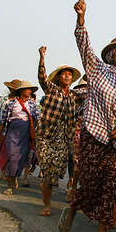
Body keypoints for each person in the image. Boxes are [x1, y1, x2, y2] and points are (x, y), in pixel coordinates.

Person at [58, 0, 116, 232]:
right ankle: (72, 208)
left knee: (111, 187)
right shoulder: (97, 70)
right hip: (93, 135)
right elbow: (84, 46)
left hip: (114, 143)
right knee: (91, 183)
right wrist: (81, 19)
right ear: (110, 55)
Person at [36, 46, 83, 217]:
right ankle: (47, 204)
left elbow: (91, 91)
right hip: (47, 136)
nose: (67, 76)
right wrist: (42, 58)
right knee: (48, 171)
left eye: (69, 74)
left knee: (56, 173)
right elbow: (42, 77)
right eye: (64, 73)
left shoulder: (74, 96)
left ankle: (51, 195)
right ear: (58, 77)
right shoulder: (51, 89)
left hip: (64, 139)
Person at [0, 80, 40, 194]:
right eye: (27, 89)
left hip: (26, 132)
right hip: (13, 131)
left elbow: (37, 119)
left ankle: (15, 176)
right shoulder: (11, 104)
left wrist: (35, 133)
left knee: (22, 157)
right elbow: (4, 120)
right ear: (21, 91)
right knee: (12, 156)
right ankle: (9, 186)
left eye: (30, 90)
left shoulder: (32, 105)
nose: (29, 91)